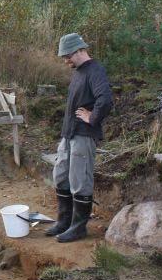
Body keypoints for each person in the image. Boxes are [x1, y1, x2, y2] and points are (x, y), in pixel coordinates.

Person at [46, 33, 112, 243]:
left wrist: (91, 117)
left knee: (79, 180)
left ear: (79, 51)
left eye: (67, 56)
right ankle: (64, 222)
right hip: (69, 133)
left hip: (83, 135)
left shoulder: (95, 70)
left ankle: (78, 227)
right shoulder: (79, 72)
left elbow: (106, 99)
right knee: (61, 175)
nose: (65, 61)